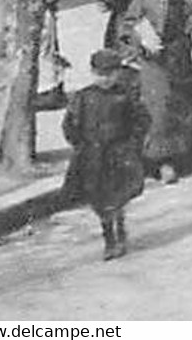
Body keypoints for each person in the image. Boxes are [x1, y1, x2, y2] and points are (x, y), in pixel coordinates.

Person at [118, 0, 192, 183]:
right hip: (153, 60)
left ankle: (182, 154)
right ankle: (161, 160)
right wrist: (142, 40)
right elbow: (128, 26)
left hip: (179, 56)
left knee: (182, 103)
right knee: (158, 107)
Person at [62, 49, 149, 260]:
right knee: (98, 198)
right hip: (92, 156)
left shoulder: (125, 95)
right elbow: (69, 124)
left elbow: (142, 120)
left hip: (119, 153)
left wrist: (133, 144)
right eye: (101, 74)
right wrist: (79, 143)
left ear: (118, 73)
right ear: (93, 73)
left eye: (110, 74)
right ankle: (109, 236)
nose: (105, 79)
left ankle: (117, 232)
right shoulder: (83, 97)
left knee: (116, 195)